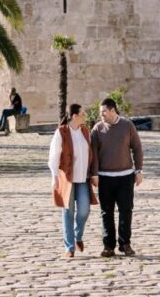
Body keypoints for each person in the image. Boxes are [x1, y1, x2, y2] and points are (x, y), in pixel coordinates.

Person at [90, 96, 143, 258]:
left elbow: (137, 148)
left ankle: (125, 244)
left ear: (113, 110)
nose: (101, 115)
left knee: (126, 211)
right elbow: (93, 154)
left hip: (125, 177)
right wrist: (94, 174)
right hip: (105, 177)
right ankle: (108, 246)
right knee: (106, 212)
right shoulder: (97, 129)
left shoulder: (127, 125)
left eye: (104, 112)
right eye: (101, 112)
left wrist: (138, 170)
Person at [49, 103, 97, 258]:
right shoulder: (61, 132)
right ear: (75, 116)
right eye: (83, 114)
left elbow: (91, 154)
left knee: (84, 210)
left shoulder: (85, 131)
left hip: (83, 178)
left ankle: (78, 236)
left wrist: (93, 174)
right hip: (67, 179)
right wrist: (54, 177)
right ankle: (69, 247)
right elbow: (54, 156)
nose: (85, 116)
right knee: (68, 212)